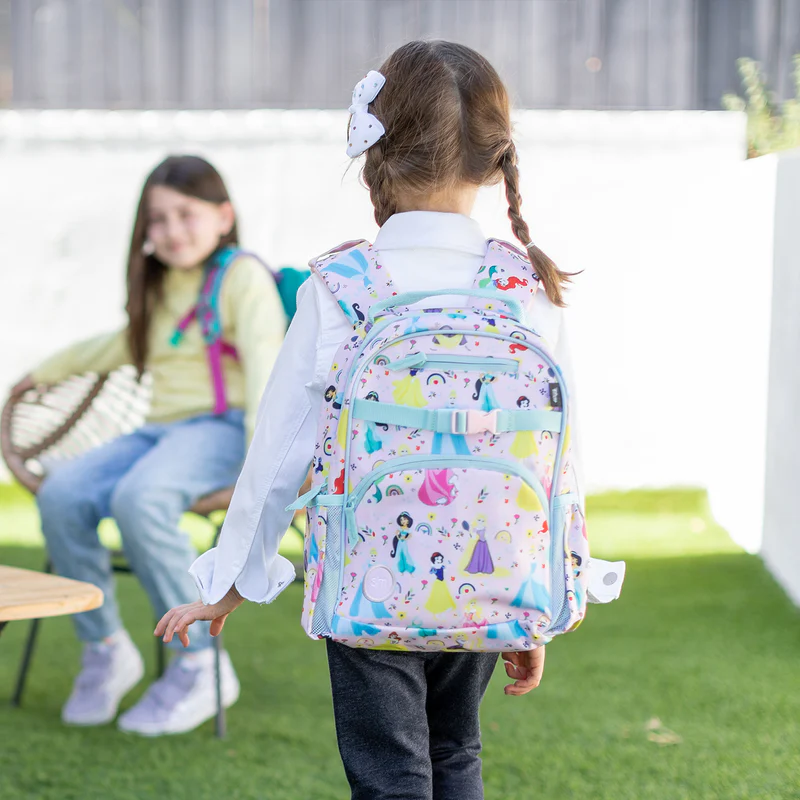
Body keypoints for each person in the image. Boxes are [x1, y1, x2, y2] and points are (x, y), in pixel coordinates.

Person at [157, 41, 581, 797]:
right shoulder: (527, 287)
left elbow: (279, 449)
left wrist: (232, 579)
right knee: (456, 754)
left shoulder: (341, 285)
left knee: (391, 777)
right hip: (488, 571)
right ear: (492, 160)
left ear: (374, 148)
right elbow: (559, 458)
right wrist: (539, 598)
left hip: (367, 580)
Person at [11, 155, 286, 736]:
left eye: (186, 214)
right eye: (156, 220)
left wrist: (264, 461)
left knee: (141, 498)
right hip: (157, 433)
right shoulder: (161, 286)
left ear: (223, 216)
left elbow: (266, 363)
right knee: (61, 493)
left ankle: (199, 661)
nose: (171, 231)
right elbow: (117, 346)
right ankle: (108, 648)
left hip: (221, 429)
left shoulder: (241, 278)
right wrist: (40, 373)